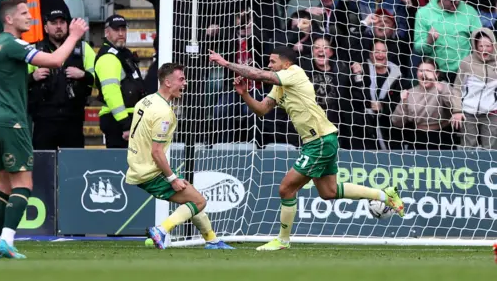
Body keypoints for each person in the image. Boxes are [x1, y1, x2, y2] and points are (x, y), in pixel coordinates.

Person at [208, 46, 405, 251]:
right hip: (321, 139)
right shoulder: (279, 86)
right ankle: (383, 195)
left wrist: (226, 63)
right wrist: (245, 94)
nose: (269, 65)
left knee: (286, 188)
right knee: (329, 191)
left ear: (285, 64)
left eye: (272, 61)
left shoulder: (295, 72)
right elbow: (262, 109)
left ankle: (283, 240)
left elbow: (259, 74)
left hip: (319, 140)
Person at [0, 0, 88, 259]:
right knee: (23, 183)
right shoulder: (13, 44)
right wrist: (74, 36)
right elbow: (56, 60)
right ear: (9, 19)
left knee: (3, 185)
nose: (30, 17)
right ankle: (7, 240)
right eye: (25, 13)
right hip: (12, 123)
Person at [128, 63, 233, 250]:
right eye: (181, 79)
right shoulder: (163, 112)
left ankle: (212, 240)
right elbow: (157, 152)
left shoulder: (147, 100)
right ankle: (161, 230)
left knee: (192, 196)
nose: (185, 83)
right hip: (150, 171)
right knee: (199, 201)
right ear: (167, 82)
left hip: (138, 164)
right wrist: (172, 178)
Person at [28, 9, 95, 149]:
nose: (58, 26)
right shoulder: (34, 50)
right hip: (43, 120)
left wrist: (83, 75)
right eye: (54, 23)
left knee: (73, 165)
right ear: (45, 27)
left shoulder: (83, 48)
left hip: (73, 119)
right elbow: (18, 81)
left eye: (62, 22)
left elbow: (98, 80)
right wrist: (32, 77)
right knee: (43, 166)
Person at [94, 14, 146, 148]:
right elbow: (111, 93)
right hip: (118, 121)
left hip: (128, 117)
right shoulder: (108, 57)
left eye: (123, 30)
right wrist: (125, 124)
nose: (121, 33)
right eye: (116, 30)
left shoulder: (123, 53)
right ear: (107, 32)